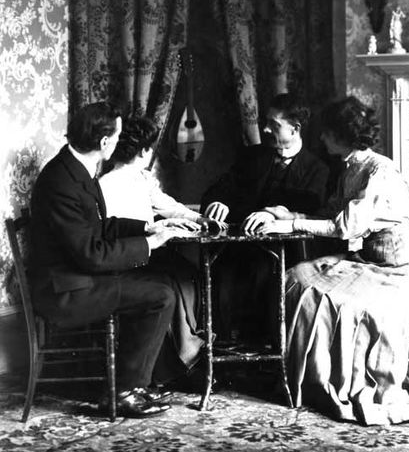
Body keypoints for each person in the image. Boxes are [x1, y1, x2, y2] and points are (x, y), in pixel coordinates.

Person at [260, 96, 409, 426]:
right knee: (298, 276)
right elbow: (330, 213)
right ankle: (311, 379)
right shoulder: (350, 166)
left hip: (396, 272)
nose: (321, 138)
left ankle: (342, 382)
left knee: (331, 300)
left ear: (341, 135)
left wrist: (291, 224)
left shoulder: (378, 171)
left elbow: (346, 227)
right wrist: (289, 213)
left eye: (326, 133)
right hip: (367, 260)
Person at [29, 102, 200, 418]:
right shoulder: (62, 181)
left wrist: (148, 227)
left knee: (160, 286)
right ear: (105, 142)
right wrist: (150, 244)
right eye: (117, 135)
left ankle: (134, 385)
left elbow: (99, 227)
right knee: (160, 296)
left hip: (76, 279)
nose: (120, 142)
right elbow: (90, 254)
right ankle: (123, 392)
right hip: (64, 292)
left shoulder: (75, 168)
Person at [200, 92, 330, 341]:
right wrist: (218, 202)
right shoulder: (252, 156)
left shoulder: (318, 169)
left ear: (295, 129)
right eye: (266, 122)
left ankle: (268, 353)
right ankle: (223, 351)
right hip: (238, 250)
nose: (265, 129)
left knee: (263, 280)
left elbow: (311, 209)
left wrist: (274, 214)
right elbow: (219, 188)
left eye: (274, 125)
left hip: (285, 254)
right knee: (219, 275)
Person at [99, 114, 206, 381]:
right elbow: (112, 233)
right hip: (128, 259)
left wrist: (197, 218)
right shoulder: (106, 184)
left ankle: (189, 350)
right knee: (174, 280)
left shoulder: (142, 179)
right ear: (145, 150)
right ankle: (181, 361)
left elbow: (167, 204)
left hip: (148, 252)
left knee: (186, 273)